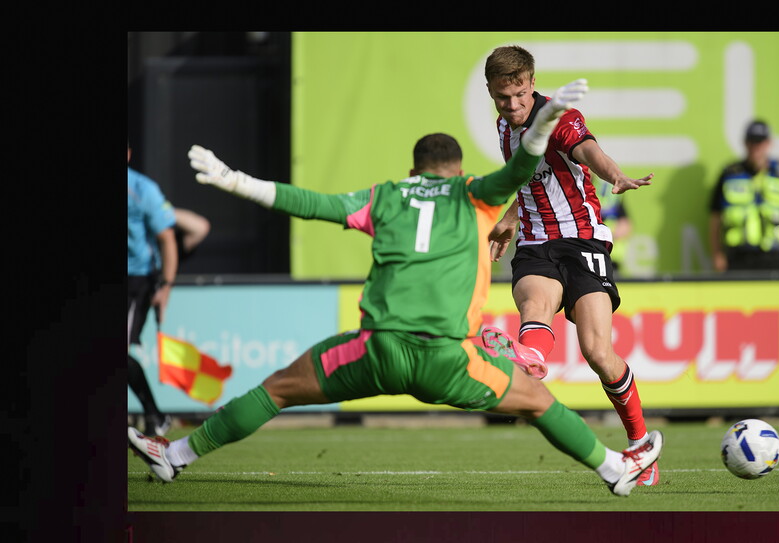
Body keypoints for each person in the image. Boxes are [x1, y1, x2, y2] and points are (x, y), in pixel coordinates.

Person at [127, 79, 664, 497]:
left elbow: (310, 203)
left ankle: (174, 457)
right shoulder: (474, 195)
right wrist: (546, 121)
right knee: (540, 404)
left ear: (413, 170)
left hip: (377, 349)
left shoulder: (385, 197)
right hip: (447, 360)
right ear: (457, 173)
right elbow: (523, 167)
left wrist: (236, 181)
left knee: (277, 390)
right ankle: (617, 468)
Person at [483, 46, 660, 484]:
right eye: (503, 97)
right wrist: (509, 220)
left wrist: (614, 173)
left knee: (598, 352)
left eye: (520, 94)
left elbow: (586, 149)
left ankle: (640, 447)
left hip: (582, 240)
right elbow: (526, 177)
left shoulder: (556, 117)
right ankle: (530, 359)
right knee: (535, 304)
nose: (513, 105)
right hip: (535, 242)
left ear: (532, 82)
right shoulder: (504, 127)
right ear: (491, 91)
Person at [128, 144, 178, 436]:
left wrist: (166, 286)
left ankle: (154, 414)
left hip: (136, 280)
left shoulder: (142, 188)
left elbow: (168, 238)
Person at [708, 120, 779, 274]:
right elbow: (715, 219)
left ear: (769, 143)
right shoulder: (730, 174)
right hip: (738, 257)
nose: (755, 147)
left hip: (775, 257)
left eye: (760, 142)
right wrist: (718, 255)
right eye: (751, 142)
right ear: (745, 143)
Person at [596, 181, 631, 278]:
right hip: (585, 253)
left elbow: (625, 225)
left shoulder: (608, 190)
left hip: (611, 257)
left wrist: (609, 235)